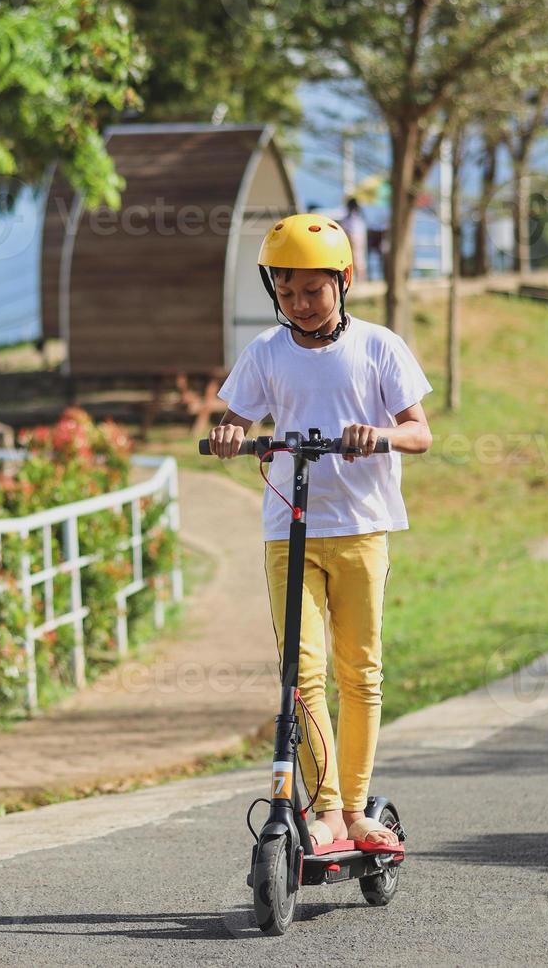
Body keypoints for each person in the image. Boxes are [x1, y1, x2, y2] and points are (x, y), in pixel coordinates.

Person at [207, 213, 431, 852]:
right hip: (289, 530)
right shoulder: (266, 354)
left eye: (314, 290)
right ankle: (327, 810)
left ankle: (359, 811)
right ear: (272, 289)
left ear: (344, 282)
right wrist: (228, 435)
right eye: (286, 290)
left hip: (361, 529)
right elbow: (235, 421)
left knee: (360, 672)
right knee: (300, 676)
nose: (300, 304)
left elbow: (420, 431)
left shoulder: (379, 346)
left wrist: (378, 434)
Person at [342, 197, 369, 278]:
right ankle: (359, 278)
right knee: (358, 257)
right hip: (359, 236)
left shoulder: (353, 215)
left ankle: (360, 278)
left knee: (357, 257)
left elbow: (348, 227)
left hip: (354, 236)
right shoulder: (359, 214)